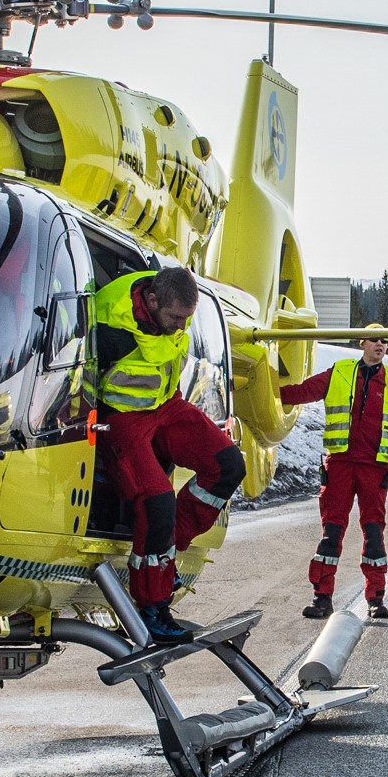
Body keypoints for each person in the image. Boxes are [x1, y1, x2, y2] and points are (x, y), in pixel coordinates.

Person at [87, 262, 242, 635]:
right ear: (153, 300)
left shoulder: (168, 309)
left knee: (228, 465)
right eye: (175, 318)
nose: (180, 326)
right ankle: (152, 608)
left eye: (187, 319)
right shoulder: (111, 327)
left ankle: (167, 556)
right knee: (156, 503)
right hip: (121, 418)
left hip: (165, 405)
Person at [283, 331, 388, 619]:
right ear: (362, 344)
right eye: (374, 339)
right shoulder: (339, 373)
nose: (380, 344)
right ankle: (322, 598)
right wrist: (268, 393)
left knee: (374, 534)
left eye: (385, 341)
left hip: (374, 468)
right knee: (331, 533)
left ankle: (375, 599)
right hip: (339, 466)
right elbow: (304, 392)